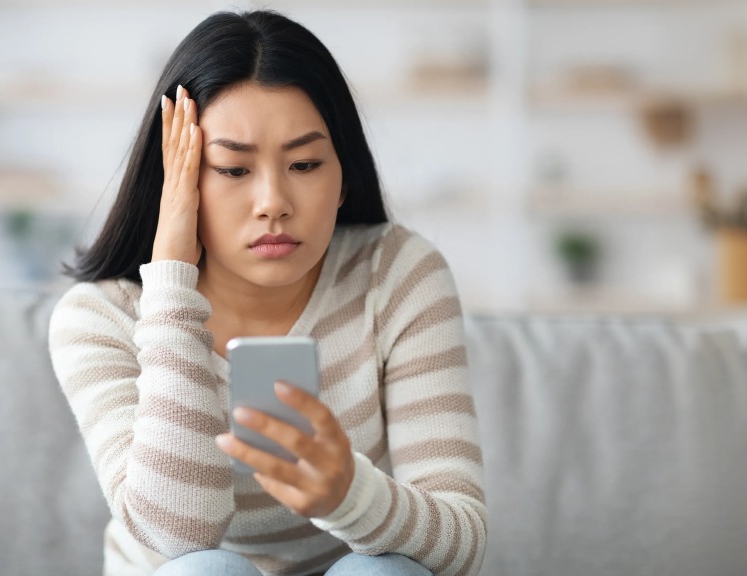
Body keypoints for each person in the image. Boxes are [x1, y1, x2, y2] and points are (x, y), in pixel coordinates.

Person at [48, 9, 486, 576]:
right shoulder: (99, 317)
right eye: (233, 169)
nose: (273, 202)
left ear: (344, 176)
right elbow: (178, 535)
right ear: (177, 180)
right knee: (207, 570)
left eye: (305, 163)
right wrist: (172, 281)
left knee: (381, 572)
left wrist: (351, 496)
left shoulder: (396, 274)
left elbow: (463, 543)